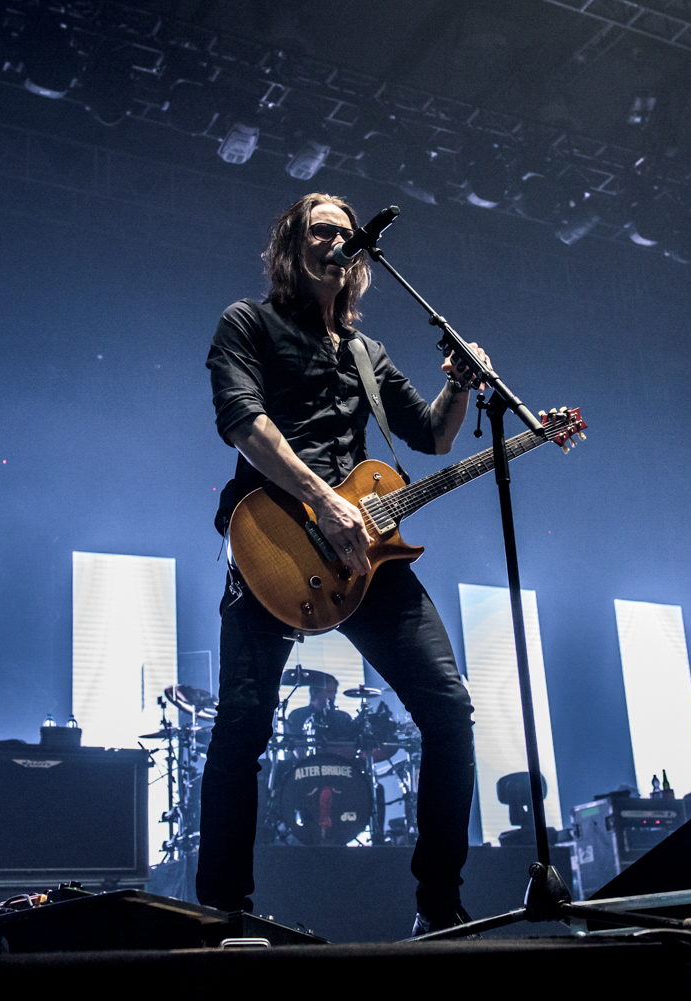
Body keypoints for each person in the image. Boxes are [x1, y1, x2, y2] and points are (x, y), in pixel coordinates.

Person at [200, 192, 488, 934]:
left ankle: (439, 905)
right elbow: (242, 420)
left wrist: (459, 383)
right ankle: (221, 914)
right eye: (320, 230)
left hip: (364, 552)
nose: (336, 241)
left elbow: (432, 436)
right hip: (273, 539)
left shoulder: (367, 353)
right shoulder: (247, 322)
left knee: (449, 709)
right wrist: (322, 499)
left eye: (345, 233)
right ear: (290, 247)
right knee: (243, 725)